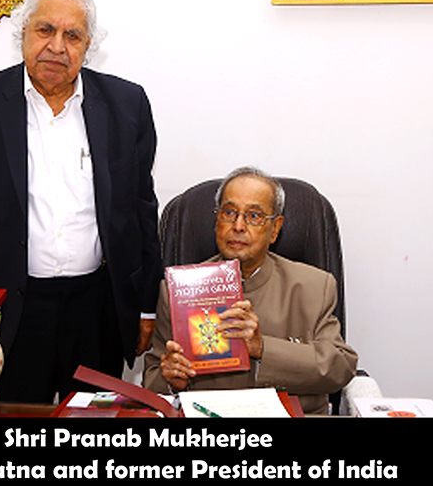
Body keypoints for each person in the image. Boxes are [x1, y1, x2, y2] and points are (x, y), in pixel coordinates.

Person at [0, 0, 163, 403]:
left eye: (72, 35)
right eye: (45, 30)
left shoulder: (127, 104)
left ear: (88, 45)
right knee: (14, 421)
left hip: (98, 310)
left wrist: (147, 306)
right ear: (23, 33)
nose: (57, 46)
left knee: (93, 425)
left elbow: (142, 210)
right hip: (7, 311)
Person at [143, 167, 357, 415]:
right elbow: (151, 379)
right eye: (229, 212)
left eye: (254, 216)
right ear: (216, 221)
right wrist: (171, 381)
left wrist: (263, 348)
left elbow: (340, 368)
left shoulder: (314, 286)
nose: (238, 226)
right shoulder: (179, 290)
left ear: (275, 228)